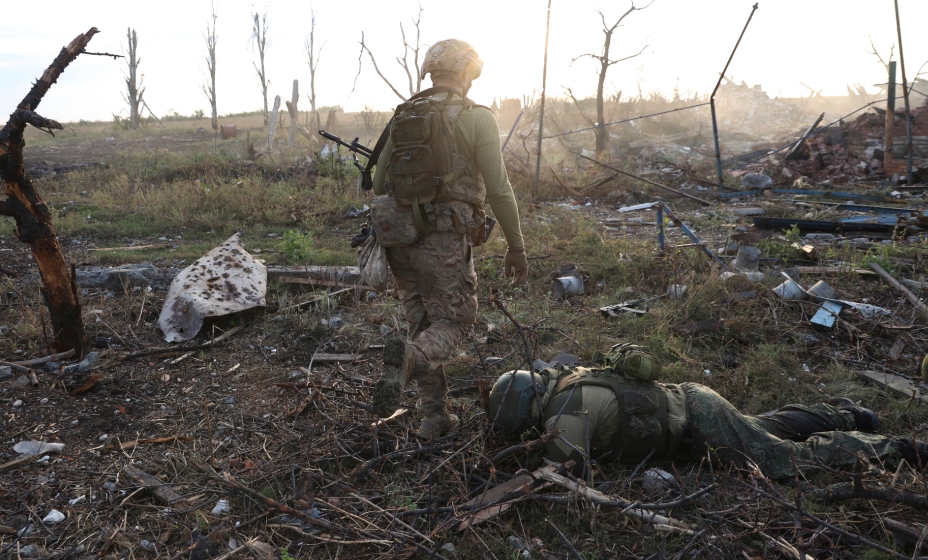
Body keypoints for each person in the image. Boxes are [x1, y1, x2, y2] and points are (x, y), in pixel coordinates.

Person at [369, 39, 527, 439]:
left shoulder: (406, 114)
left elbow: (375, 182)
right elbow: (499, 188)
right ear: (466, 72)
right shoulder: (476, 118)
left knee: (422, 321)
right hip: (443, 237)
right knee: (456, 319)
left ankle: (433, 417)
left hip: (398, 239)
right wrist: (516, 245)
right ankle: (409, 360)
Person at [488, 365, 928, 480]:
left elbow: (563, 472)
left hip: (698, 425)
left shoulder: (565, 414)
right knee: (763, 427)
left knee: (780, 461)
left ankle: (899, 449)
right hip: (694, 405)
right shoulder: (566, 380)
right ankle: (849, 413)